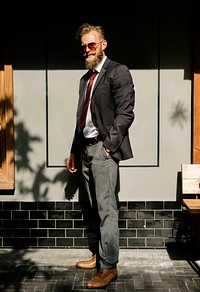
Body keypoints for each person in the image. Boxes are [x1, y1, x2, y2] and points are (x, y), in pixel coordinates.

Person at [66, 22, 135, 289]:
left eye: (91, 45)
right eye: (83, 47)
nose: (86, 50)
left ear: (103, 45)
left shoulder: (118, 72)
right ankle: (98, 257)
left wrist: (109, 146)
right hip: (84, 149)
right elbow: (81, 118)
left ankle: (109, 268)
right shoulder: (85, 79)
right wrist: (74, 150)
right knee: (92, 206)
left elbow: (125, 113)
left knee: (106, 208)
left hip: (103, 149)